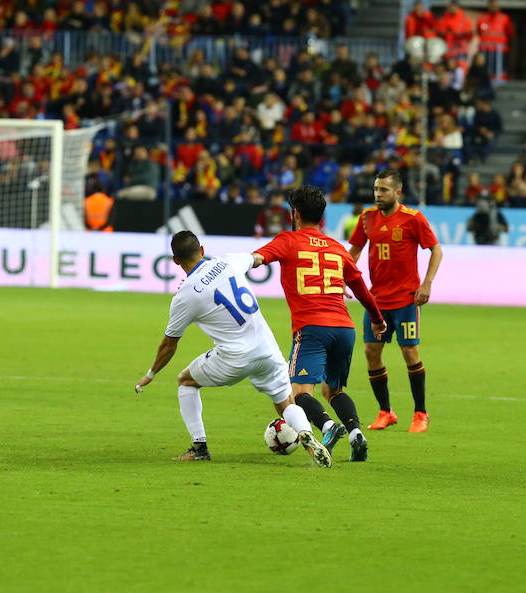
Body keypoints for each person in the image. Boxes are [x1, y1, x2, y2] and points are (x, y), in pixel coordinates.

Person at [133, 231, 332, 467]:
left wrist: (151, 374)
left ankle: (199, 447)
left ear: (175, 261)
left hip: (234, 358)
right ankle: (306, 433)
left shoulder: (184, 296)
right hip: (267, 350)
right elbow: (257, 258)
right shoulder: (227, 261)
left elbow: (169, 343)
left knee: (186, 380)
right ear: (203, 250)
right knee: (286, 403)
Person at [252, 186, 387, 462]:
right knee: (333, 390)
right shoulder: (338, 248)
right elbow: (361, 288)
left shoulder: (288, 241)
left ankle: (327, 426)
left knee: (298, 393)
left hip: (312, 329)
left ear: (296, 214)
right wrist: (377, 319)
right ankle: (355, 433)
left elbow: (257, 258)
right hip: (344, 329)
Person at [347, 169, 443, 433]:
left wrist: (426, 284)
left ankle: (420, 413)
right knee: (371, 352)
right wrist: (340, 277)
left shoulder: (413, 219)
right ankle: (385, 411)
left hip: (406, 299)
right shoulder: (367, 217)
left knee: (409, 352)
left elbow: (436, 249)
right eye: (376, 189)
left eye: (384, 190)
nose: (378, 194)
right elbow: (354, 250)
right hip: (375, 300)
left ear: (398, 192)